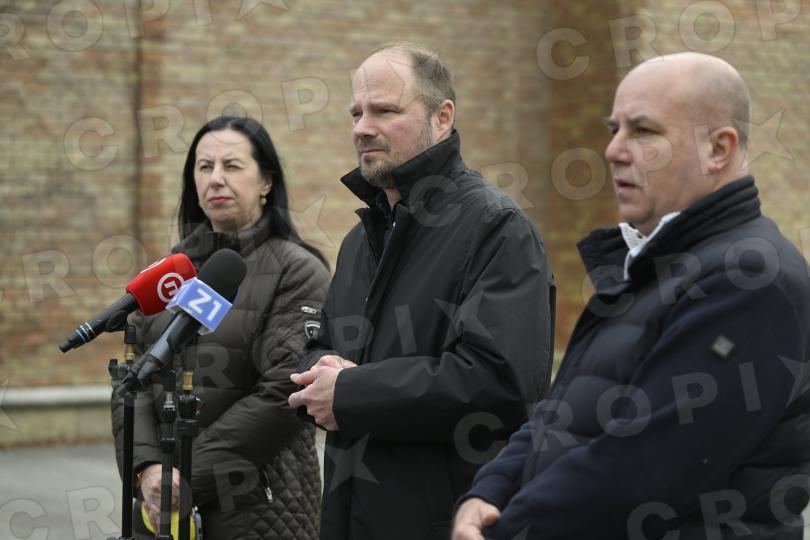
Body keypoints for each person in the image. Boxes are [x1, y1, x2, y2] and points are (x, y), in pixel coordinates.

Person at [453, 52, 810, 540]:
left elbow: (646, 467)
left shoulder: (748, 280)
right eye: (614, 129)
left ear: (718, 149)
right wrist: (488, 491)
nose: (613, 150)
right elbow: (563, 415)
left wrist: (507, 530)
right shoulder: (656, 267)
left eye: (643, 131)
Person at [287, 43, 555, 540]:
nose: (362, 127)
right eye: (356, 113)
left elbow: (498, 383)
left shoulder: (497, 228)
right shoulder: (358, 242)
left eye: (385, 111)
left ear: (442, 117)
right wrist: (319, 372)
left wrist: (351, 392)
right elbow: (323, 346)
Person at [111, 116, 330, 539]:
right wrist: (148, 469)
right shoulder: (169, 274)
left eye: (232, 165)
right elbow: (131, 379)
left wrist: (183, 474)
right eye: (204, 166)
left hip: (258, 509)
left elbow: (284, 390)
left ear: (266, 181)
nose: (215, 179)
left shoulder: (298, 271)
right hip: (162, 509)